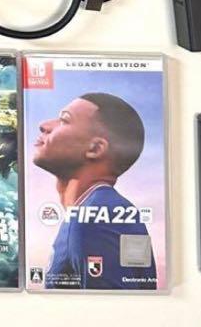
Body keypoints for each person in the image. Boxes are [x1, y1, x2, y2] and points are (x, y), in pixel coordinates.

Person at [32, 92, 156, 290]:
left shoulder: (93, 218)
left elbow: (112, 306)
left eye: (64, 120)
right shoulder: (108, 210)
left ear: (95, 149)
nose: (44, 125)